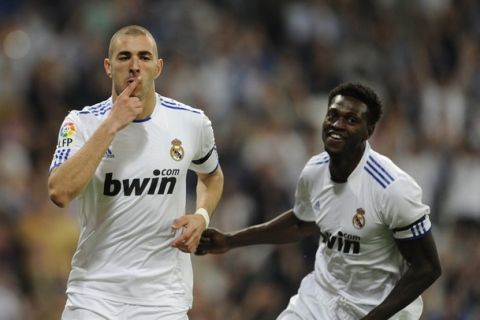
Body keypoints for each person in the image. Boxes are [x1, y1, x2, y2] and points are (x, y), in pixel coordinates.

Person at [196, 82, 441, 319]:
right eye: (332, 115)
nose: (337, 125)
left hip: (377, 308)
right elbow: (301, 224)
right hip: (320, 299)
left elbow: (427, 268)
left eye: (351, 120)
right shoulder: (314, 171)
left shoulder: (392, 188)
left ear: (369, 131)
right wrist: (230, 240)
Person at [48, 25, 224, 320]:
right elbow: (59, 192)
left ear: (158, 67)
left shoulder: (192, 123)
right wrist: (111, 125)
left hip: (162, 300)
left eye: (144, 57)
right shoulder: (81, 123)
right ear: (108, 66)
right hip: (93, 295)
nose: (134, 66)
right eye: (124, 57)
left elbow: (211, 176)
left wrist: (202, 216)